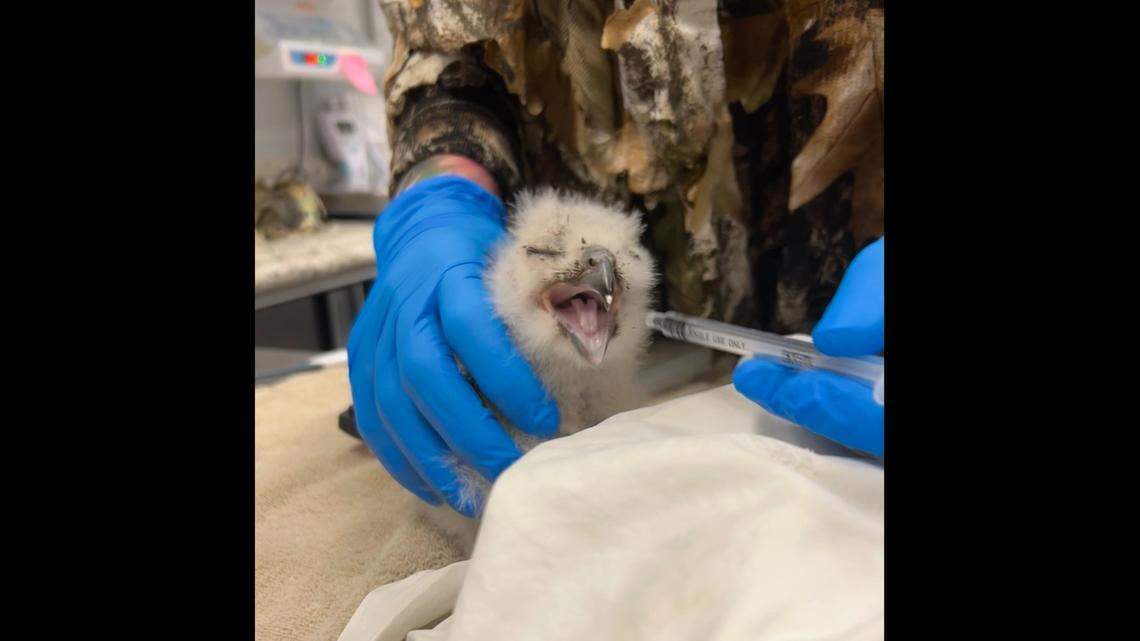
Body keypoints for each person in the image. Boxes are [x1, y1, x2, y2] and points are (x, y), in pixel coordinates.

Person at [349, 0, 885, 512]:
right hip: (658, 360)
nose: (601, 271)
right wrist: (441, 191)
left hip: (850, 308)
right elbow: (449, 56)